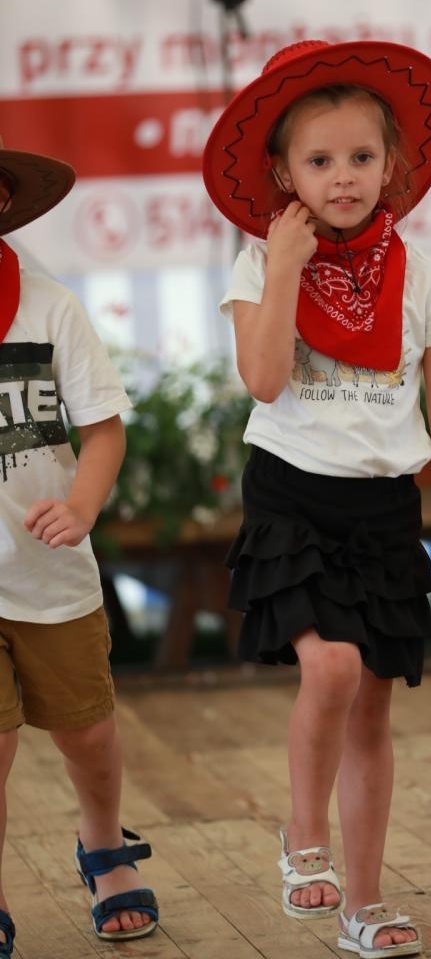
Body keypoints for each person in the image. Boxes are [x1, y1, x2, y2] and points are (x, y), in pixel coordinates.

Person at [203, 39, 431, 958]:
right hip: (291, 498)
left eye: (362, 157)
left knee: (371, 702)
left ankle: (363, 903)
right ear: (285, 174)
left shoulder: (426, 278)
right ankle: (302, 835)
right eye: (319, 161)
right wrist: (284, 264)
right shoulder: (256, 266)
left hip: (383, 509)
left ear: (393, 165)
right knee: (327, 669)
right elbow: (267, 380)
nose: (344, 176)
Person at [0, 148, 158, 950]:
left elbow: (103, 429)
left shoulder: (50, 307)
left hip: (49, 572)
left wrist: (83, 505)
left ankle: (104, 845)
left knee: (87, 732)